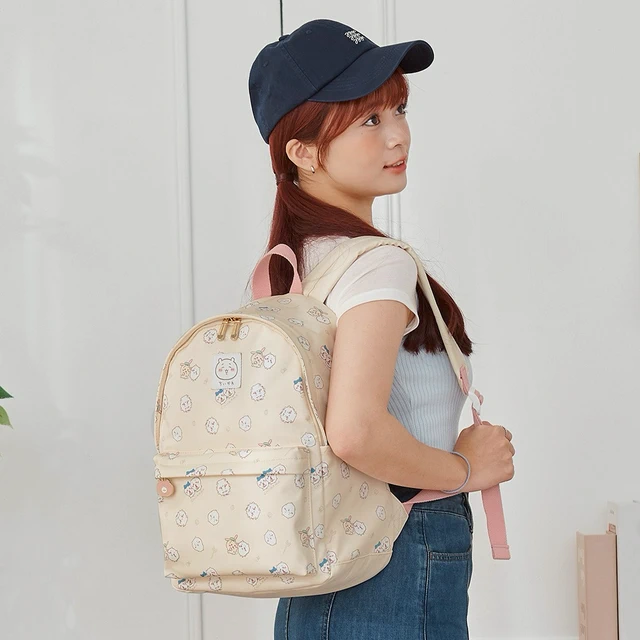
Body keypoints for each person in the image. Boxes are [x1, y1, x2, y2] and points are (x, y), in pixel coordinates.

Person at [247, 18, 516, 640]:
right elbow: (354, 431)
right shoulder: (374, 264)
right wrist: (464, 469)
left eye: (398, 109)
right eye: (369, 120)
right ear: (303, 152)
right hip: (393, 553)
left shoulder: (290, 270)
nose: (398, 135)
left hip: (323, 566)